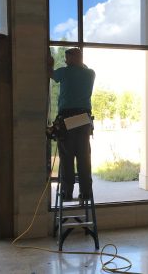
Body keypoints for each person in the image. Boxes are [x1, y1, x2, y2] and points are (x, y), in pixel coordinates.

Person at [49, 48, 95, 201]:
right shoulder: (90, 74)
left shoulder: (64, 72)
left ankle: (67, 192)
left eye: (67, 58)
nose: (65, 61)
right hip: (84, 119)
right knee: (83, 157)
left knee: (67, 156)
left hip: (68, 118)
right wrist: (80, 62)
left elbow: (51, 74)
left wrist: (50, 63)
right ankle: (86, 192)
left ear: (73, 59)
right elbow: (85, 68)